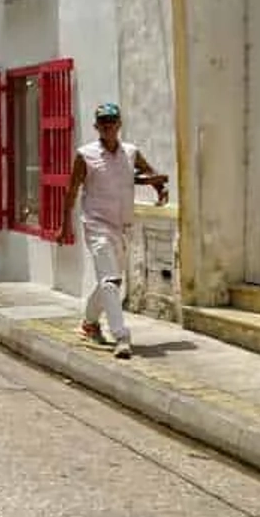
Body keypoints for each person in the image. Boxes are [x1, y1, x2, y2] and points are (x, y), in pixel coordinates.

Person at [58, 102, 168, 359]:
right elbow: (72, 192)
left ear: (119, 124)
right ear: (97, 126)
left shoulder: (130, 153)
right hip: (96, 224)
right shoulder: (85, 155)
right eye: (103, 122)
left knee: (111, 280)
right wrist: (65, 227)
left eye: (112, 121)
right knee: (111, 280)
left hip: (123, 226)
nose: (108, 126)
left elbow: (148, 173)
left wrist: (160, 189)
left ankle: (89, 322)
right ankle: (121, 336)